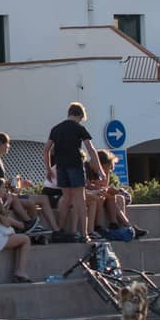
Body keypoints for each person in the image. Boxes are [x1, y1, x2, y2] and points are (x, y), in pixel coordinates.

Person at [42, 102, 100, 243]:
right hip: (75, 165)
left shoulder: (56, 129)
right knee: (80, 199)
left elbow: (46, 150)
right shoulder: (79, 128)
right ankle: (85, 234)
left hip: (61, 167)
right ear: (80, 115)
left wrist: (49, 169)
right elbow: (91, 149)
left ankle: (59, 230)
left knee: (66, 198)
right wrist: (99, 169)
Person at [0, 132, 56, 234]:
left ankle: (42, 227)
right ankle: (33, 225)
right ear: (1, 143)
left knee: (43, 198)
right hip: (1, 197)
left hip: (6, 194)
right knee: (32, 202)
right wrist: (9, 188)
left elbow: (0, 182)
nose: (9, 146)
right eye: (7, 143)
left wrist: (16, 184)